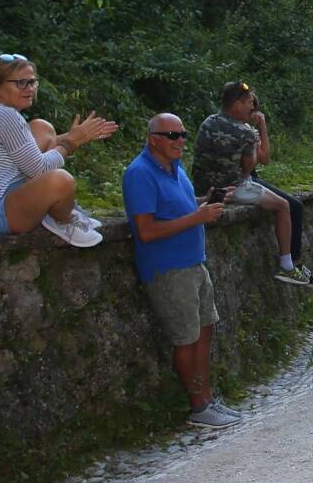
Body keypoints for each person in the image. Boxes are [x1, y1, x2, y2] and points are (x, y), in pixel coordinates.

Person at [123, 113, 241, 429]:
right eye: (173, 135)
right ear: (154, 140)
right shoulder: (140, 174)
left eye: (183, 134)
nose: (181, 141)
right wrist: (197, 217)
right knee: (186, 338)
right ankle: (198, 406)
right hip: (169, 270)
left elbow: (183, 208)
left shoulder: (175, 168)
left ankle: (207, 398)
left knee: (205, 329)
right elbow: (145, 230)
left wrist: (207, 201)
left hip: (194, 263)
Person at [0, 53, 117, 247]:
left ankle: (51, 211)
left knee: (41, 128)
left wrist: (77, 135)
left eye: (32, 82)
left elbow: (28, 152)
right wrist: (72, 141)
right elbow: (40, 169)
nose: (29, 89)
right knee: (60, 180)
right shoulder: (5, 116)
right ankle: (62, 221)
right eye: (20, 83)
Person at [192, 82, 313, 287]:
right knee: (284, 205)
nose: (252, 107)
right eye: (250, 103)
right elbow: (250, 168)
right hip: (232, 188)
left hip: (201, 187)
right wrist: (255, 139)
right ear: (237, 104)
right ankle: (287, 265)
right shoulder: (245, 132)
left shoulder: (208, 122)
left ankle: (293, 264)